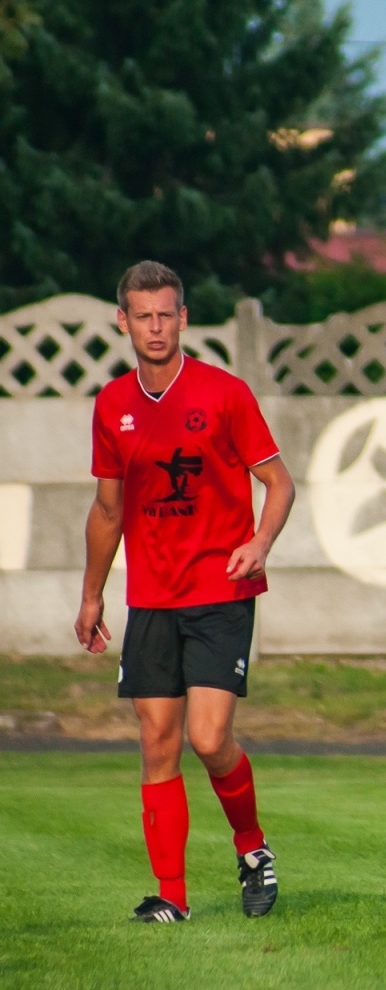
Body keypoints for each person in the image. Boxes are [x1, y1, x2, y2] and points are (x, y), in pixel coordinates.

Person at [75, 261, 295, 923]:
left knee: (208, 736)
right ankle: (171, 898)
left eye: (166, 314)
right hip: (150, 599)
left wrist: (259, 544)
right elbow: (107, 511)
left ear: (184, 318)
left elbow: (280, 484)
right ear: (124, 322)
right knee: (157, 740)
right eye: (143, 315)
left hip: (222, 590)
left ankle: (252, 848)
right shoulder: (113, 406)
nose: (155, 327)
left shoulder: (224, 394)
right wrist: (92, 596)